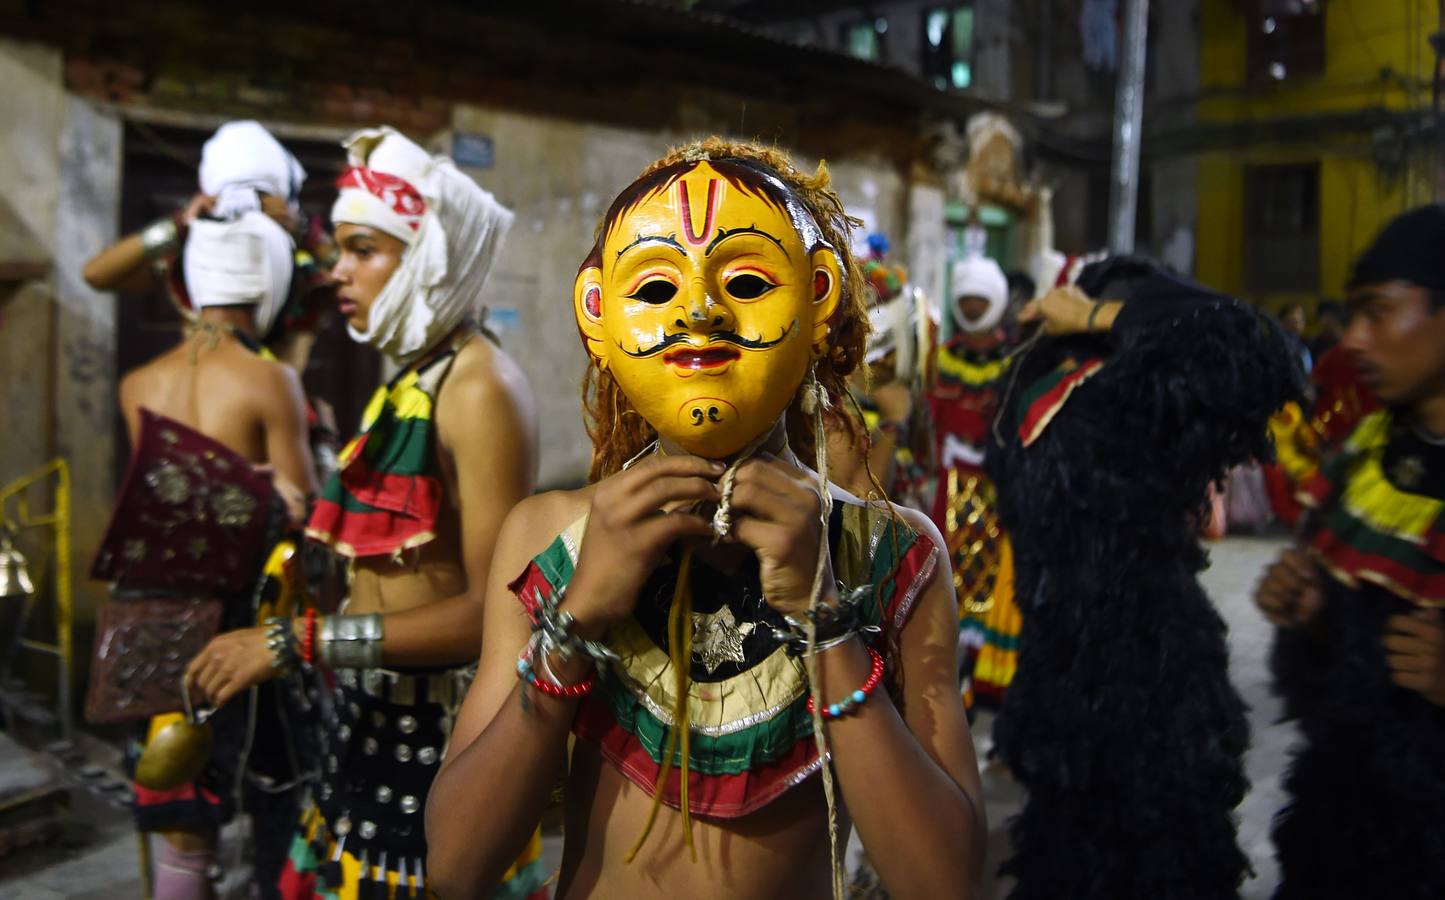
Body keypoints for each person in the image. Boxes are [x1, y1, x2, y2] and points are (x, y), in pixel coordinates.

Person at [426, 138, 984, 900]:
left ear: (818, 295)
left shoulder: (886, 553)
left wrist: (825, 623)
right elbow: (455, 866)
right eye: (655, 288)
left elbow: (945, 883)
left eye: (747, 280)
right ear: (598, 314)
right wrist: (576, 621)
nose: (699, 312)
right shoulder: (547, 540)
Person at [182, 126, 543, 899]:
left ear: (428, 257)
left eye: (362, 250)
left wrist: (296, 640)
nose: (336, 271)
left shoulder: (478, 388)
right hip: (368, 713)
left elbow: (497, 612)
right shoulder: (412, 375)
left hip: (436, 738)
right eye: (341, 249)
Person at [989, 256, 1299, 900]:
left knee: (1167, 859)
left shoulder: (1150, 385)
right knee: (1067, 853)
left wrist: (1104, 315)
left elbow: (1262, 348)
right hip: (1062, 667)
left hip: (1156, 667)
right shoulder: (1037, 380)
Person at [99, 121, 320, 900]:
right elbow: (298, 511)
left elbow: (168, 495)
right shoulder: (270, 383)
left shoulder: (138, 383)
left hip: (145, 613)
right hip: (233, 618)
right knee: (271, 801)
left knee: (176, 824)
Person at [1255, 204, 1445, 900]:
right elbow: (1325, 697)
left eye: (1378, 312)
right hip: (1344, 838)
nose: (1354, 339)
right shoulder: (1363, 464)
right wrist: (1314, 621)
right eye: (1351, 314)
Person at [928, 255, 1019, 714]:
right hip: (954, 484)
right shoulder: (944, 358)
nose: (973, 306)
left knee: (994, 575)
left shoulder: (1014, 358)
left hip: (997, 485)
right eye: (966, 299)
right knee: (952, 569)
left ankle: (989, 667)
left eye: (980, 299)